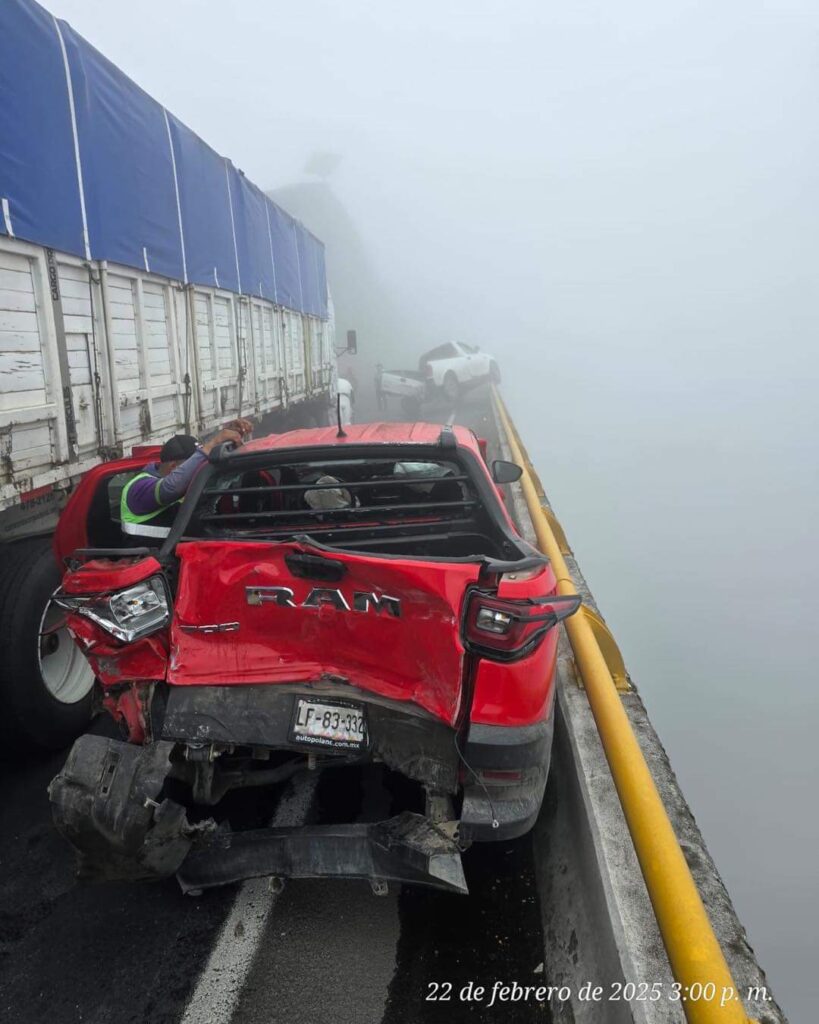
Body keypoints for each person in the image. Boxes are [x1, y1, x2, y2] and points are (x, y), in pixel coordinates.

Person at [120, 418, 253, 535]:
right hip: (146, 559)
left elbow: (215, 483)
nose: (198, 469)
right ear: (173, 466)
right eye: (193, 463)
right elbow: (170, 488)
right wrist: (211, 445)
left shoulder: (188, 484)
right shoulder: (139, 487)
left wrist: (229, 442)